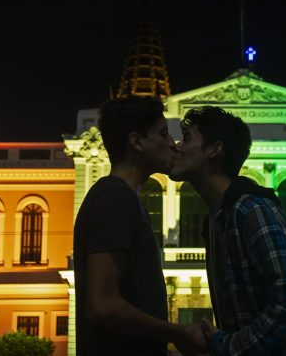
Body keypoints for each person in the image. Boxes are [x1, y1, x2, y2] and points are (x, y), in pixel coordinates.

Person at [170, 106, 286, 355]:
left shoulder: (252, 209)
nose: (176, 146)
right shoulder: (218, 219)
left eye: (187, 138)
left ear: (214, 149)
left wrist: (224, 347)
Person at [73, 96, 206, 355]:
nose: (173, 143)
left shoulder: (125, 199)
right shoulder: (114, 197)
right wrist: (177, 331)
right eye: (163, 133)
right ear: (136, 142)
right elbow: (102, 305)